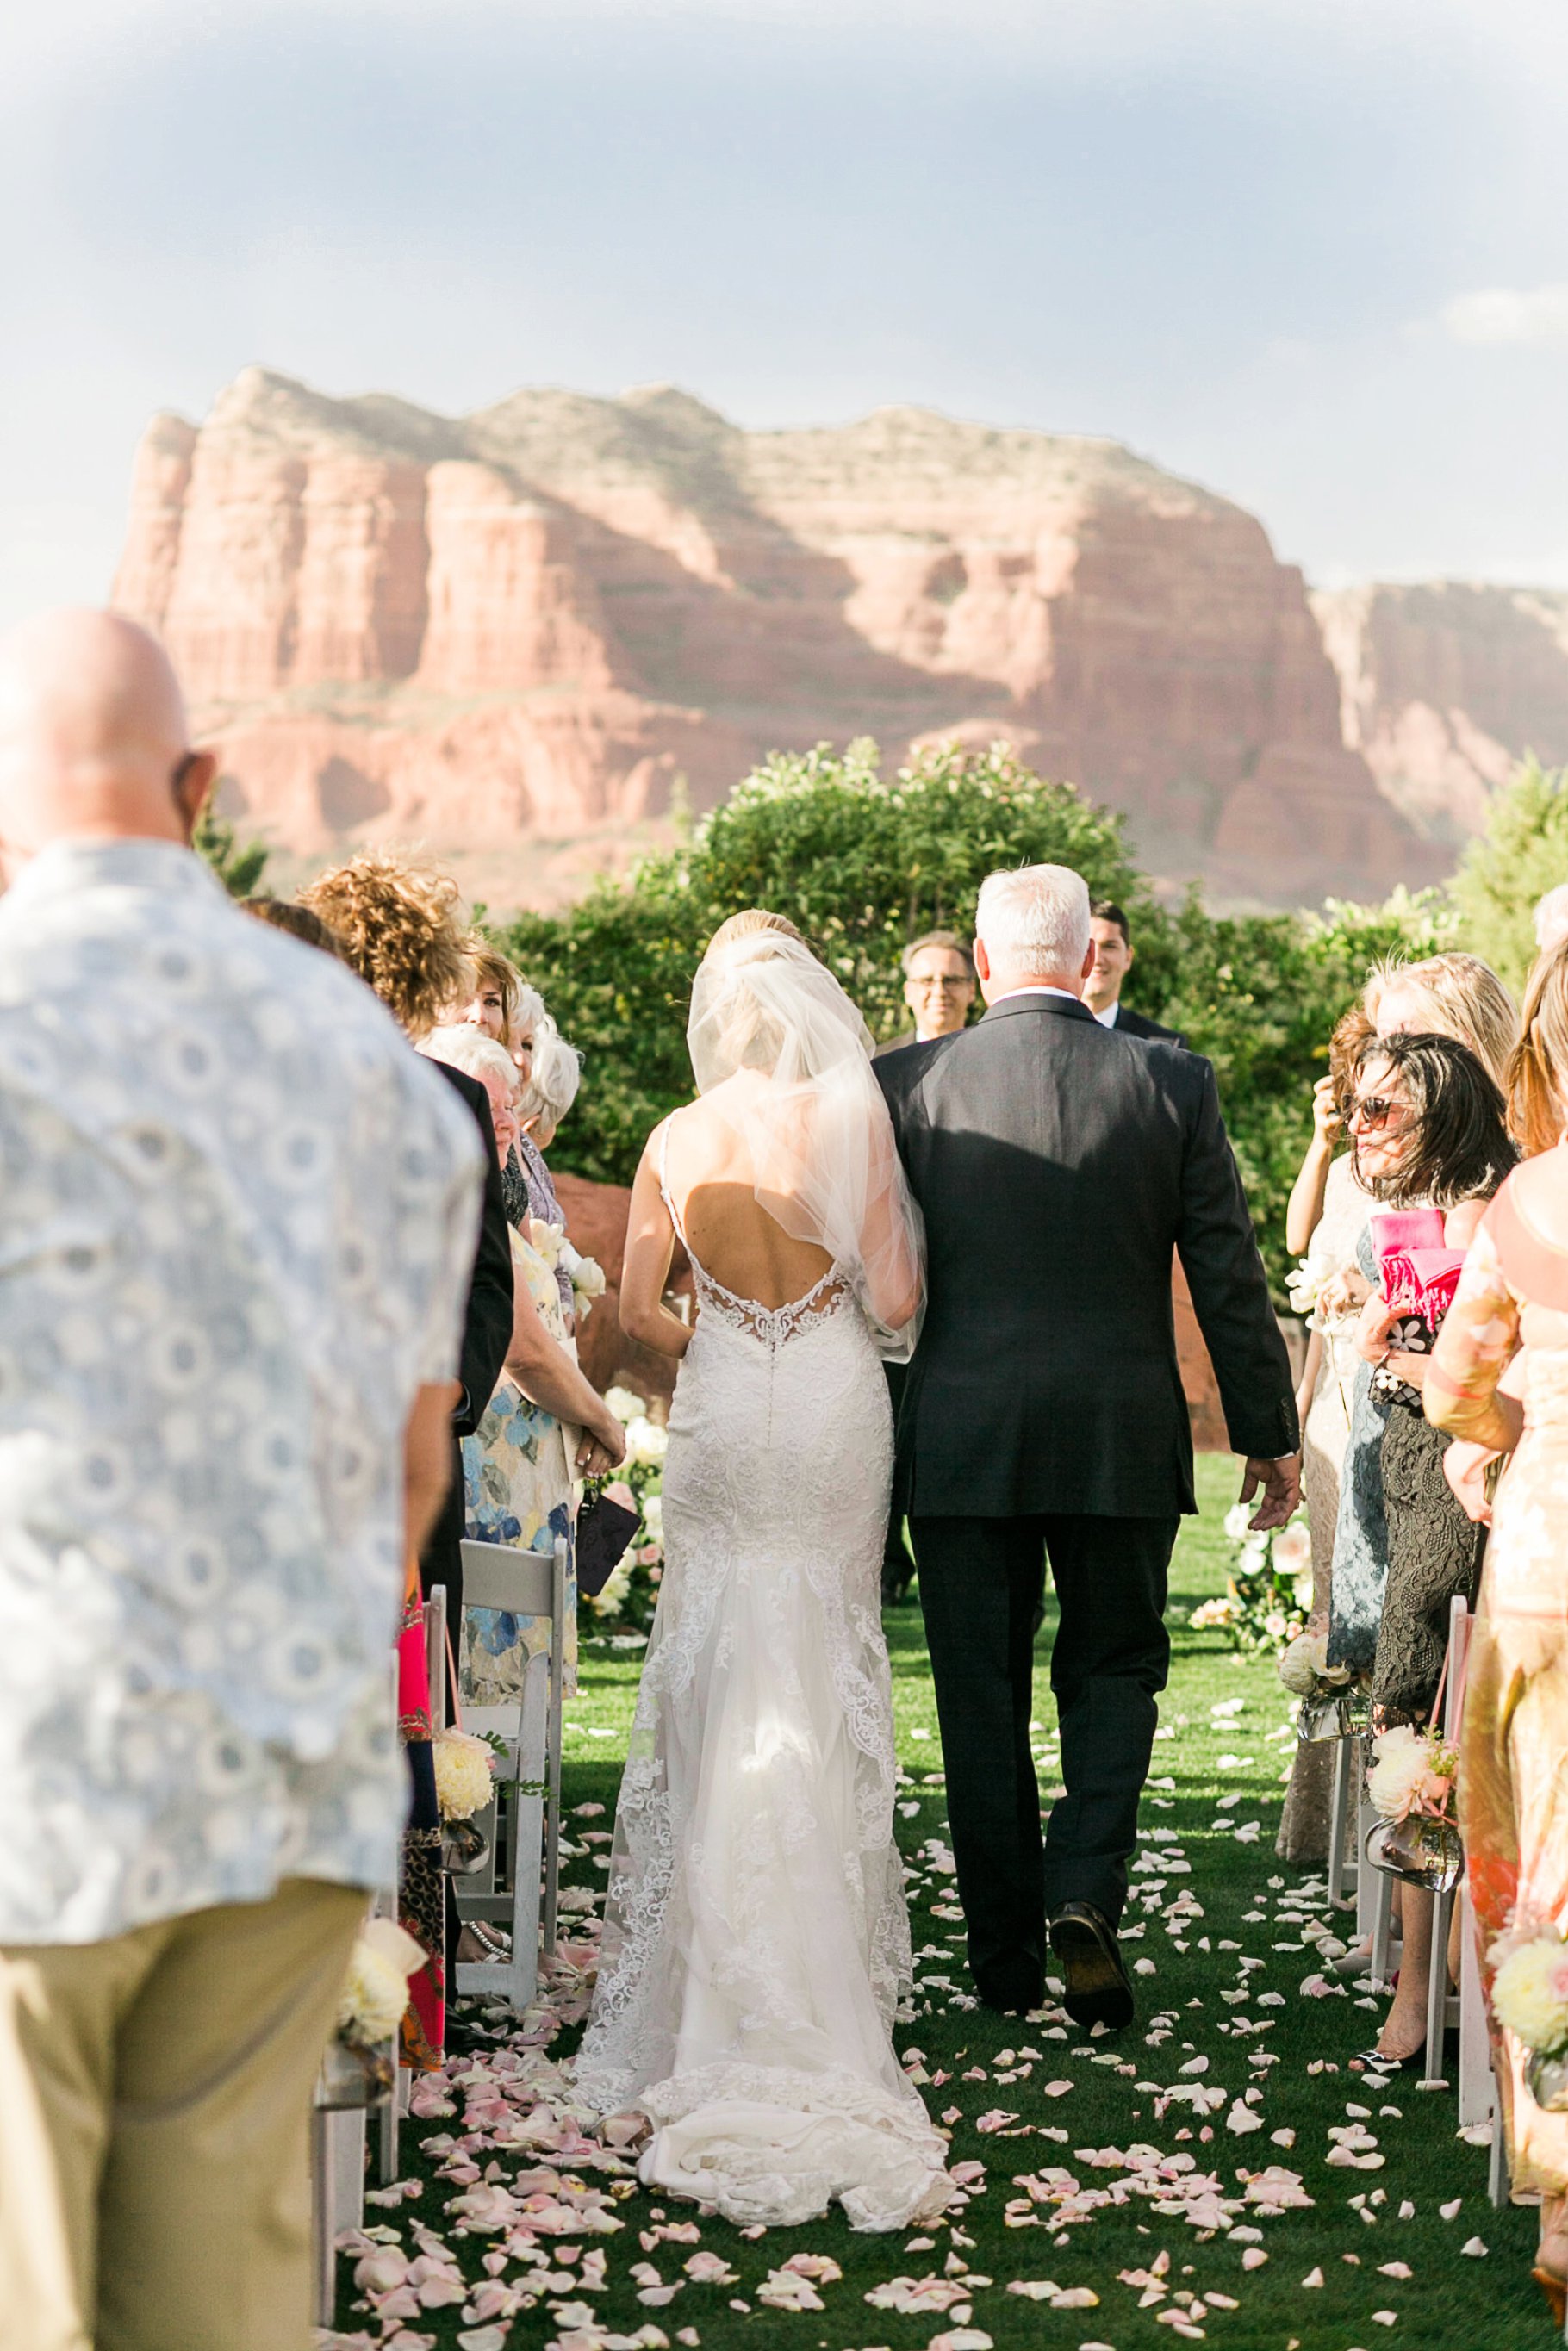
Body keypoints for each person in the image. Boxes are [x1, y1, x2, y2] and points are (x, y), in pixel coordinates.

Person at [0, 610, 482, 2351]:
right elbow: (416, 1457)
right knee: (215, 2301)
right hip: (289, 1773)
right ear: (200, 787)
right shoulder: (375, 1061)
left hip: (36, 1764)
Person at [574, 911, 949, 2231]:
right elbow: (897, 1302)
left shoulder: (678, 1140)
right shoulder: (853, 1119)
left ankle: (709, 1987)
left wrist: (727, 1337)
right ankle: (817, 1973)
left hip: (728, 1407)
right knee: (823, 1641)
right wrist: (817, 1314)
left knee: (721, 1646)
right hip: (838, 1402)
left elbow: (633, 1311)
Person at [875, 864, 1298, 2029]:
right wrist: (1269, 1435)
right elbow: (1228, 1273)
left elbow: (875, 1285)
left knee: (979, 1695)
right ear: (1081, 954)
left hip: (963, 1435)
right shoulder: (1173, 1080)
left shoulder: (904, 1082)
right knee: (1114, 1674)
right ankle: (1088, 1895)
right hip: (1121, 1430)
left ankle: (1006, 1967)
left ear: (987, 955)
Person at [1427, 942, 1568, 2317]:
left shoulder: (1530, 1201)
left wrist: (1515, 1430)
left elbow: (1455, 1391)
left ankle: (1562, 2182)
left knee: (1534, 1876)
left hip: (1540, 1572)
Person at [1341, 1034, 1515, 2074]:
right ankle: (1418, 1982)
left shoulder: (1494, 1207)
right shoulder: (1403, 1216)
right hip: (1410, 1467)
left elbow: (1488, 1371)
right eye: (1356, 1107)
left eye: (1381, 1109)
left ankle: (1448, 1983)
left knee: (1434, 1715)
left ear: (1440, 1108)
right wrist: (1379, 1339)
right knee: (1408, 1719)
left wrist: (1404, 1356)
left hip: (1478, 1476)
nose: (1362, 1126)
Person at [1276, 1008, 1374, 1864]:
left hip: (1384, 1399)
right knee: (1328, 1610)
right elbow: (1293, 1241)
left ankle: (1380, 1812)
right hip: (1327, 1411)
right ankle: (1320, 1821)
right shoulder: (1345, 1167)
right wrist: (1318, 1142)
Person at [1084, 899, 1185, 1043]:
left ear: (1128, 957)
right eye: (1087, 946)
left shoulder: (1166, 1046)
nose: (1097, 959)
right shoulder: (1043, 1036)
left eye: (1109, 946)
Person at [878, 930, 977, 1052]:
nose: (939, 992)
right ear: (908, 992)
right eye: (927, 981)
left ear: (971, 989)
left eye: (951, 981)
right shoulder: (878, 1062)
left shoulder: (991, 1053)